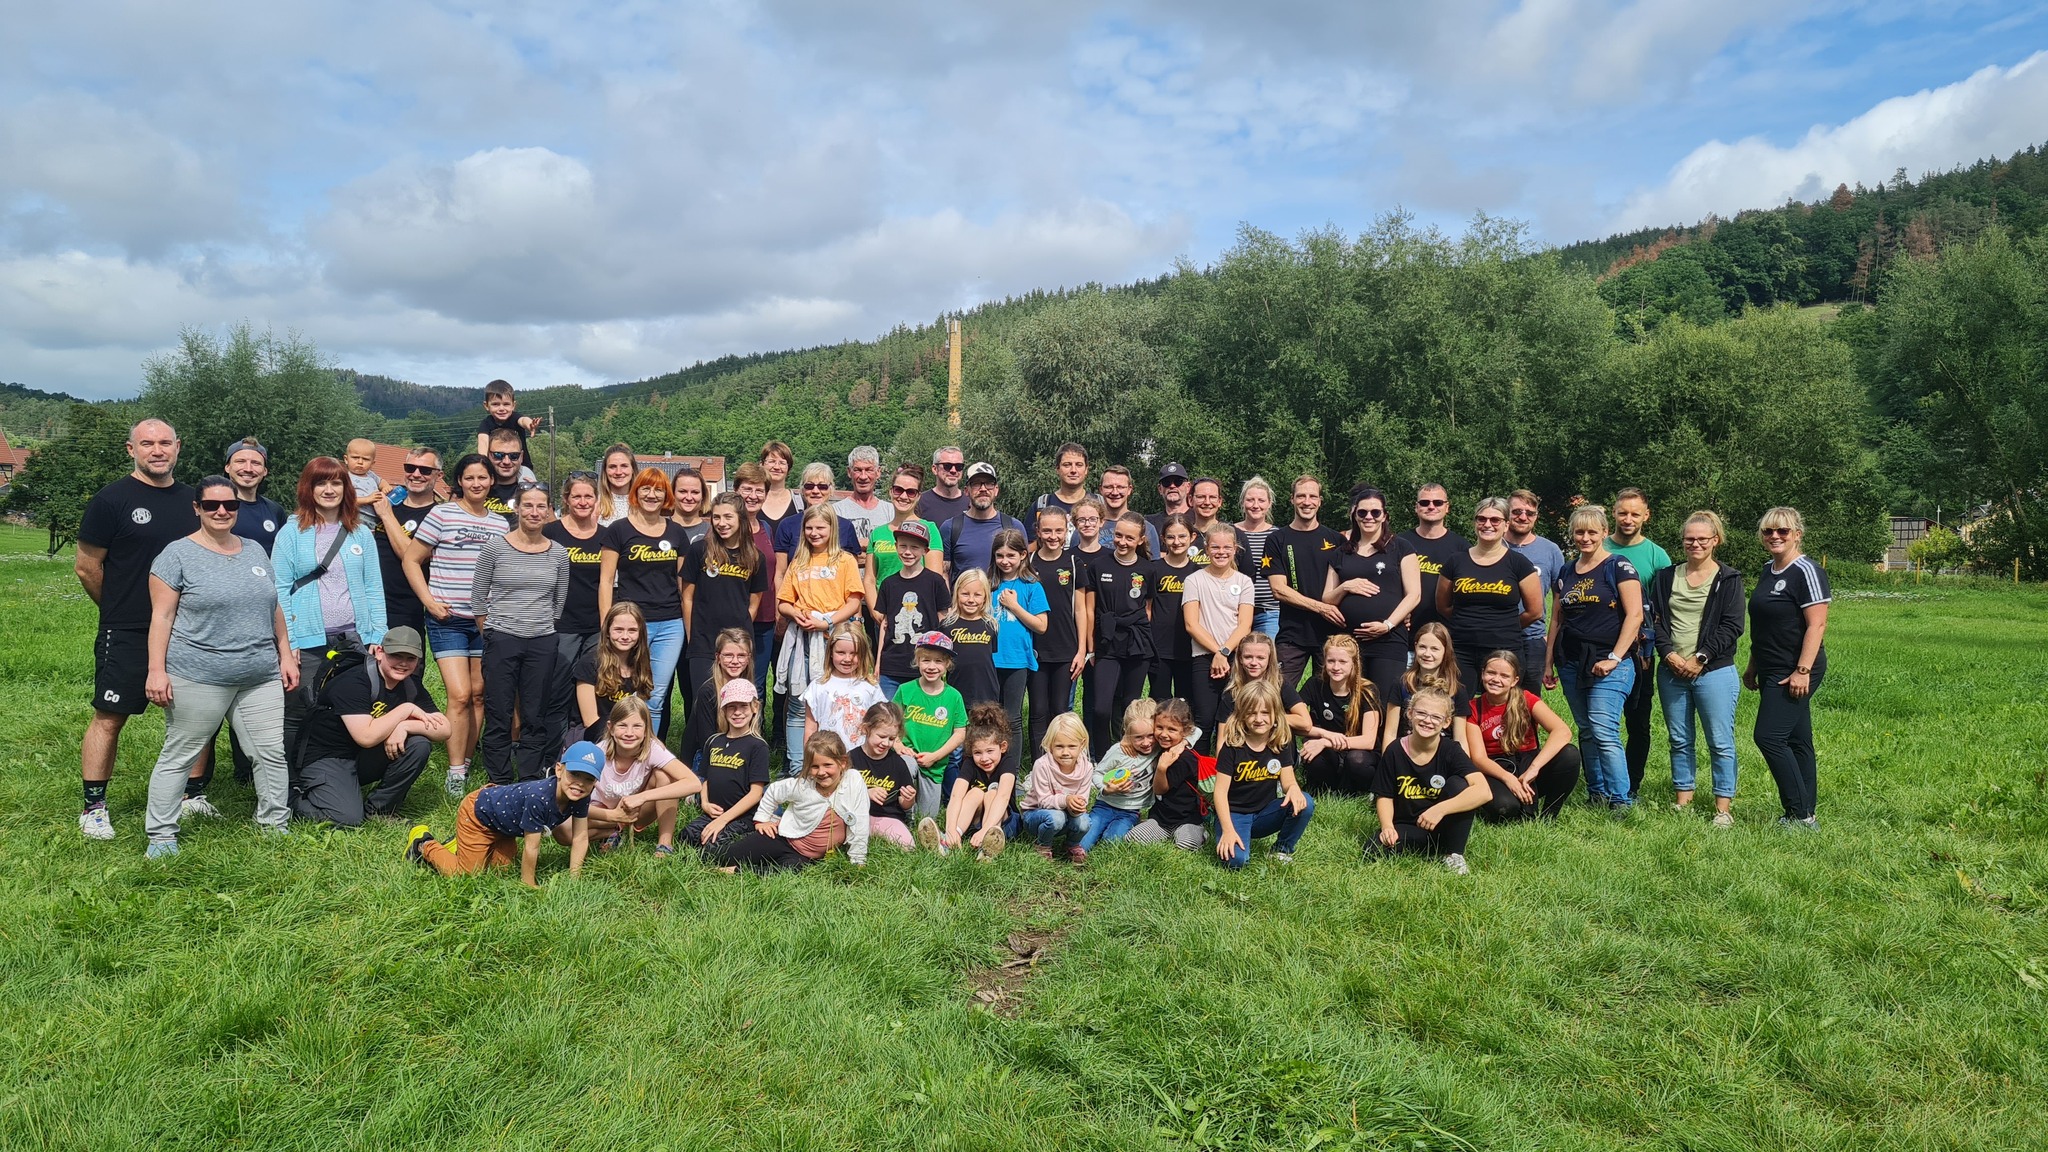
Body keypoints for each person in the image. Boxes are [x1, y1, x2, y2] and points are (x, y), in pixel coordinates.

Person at [138, 474, 296, 857]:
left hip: (259, 674)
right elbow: (162, 617)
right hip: (198, 674)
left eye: (230, 505)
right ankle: (161, 836)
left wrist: (286, 652)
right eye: (212, 505)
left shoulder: (254, 550)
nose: (222, 511)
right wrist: (156, 670)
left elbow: (273, 605)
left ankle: (275, 825)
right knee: (181, 753)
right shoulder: (177, 554)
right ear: (197, 508)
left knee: (270, 753)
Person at [75, 418, 199, 840]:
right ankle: (94, 806)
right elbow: (87, 567)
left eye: (165, 442)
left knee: (196, 715)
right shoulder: (110, 500)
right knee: (110, 716)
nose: (157, 450)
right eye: (147, 443)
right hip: (128, 630)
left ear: (178, 447)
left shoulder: (194, 501)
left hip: (188, 629)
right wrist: (118, 608)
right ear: (132, 450)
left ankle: (192, 795)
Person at [271, 455, 387, 771]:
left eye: (336, 482)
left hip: (354, 639)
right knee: (298, 710)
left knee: (352, 707)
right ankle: (291, 779)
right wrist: (289, 643)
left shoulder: (361, 533)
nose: (329, 490)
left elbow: (373, 588)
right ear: (308, 488)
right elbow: (279, 590)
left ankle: (339, 772)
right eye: (320, 483)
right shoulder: (291, 533)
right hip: (307, 642)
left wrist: (377, 635)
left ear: (346, 488)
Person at [404, 453, 509, 795]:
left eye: (482, 477)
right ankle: (454, 772)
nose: (476, 483)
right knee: (460, 694)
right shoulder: (442, 514)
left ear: (491, 481)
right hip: (447, 620)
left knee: (479, 695)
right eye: (469, 478)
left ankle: (466, 759)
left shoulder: (501, 525)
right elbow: (411, 560)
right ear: (459, 482)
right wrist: (429, 601)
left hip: (484, 621)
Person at [291, 626, 450, 826]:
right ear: (380, 652)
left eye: (410, 658)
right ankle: (292, 800)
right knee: (347, 819)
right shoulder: (354, 681)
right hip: (326, 756)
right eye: (396, 655)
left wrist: (405, 727)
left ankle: (379, 810)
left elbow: (445, 729)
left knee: (419, 744)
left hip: (361, 755)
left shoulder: (411, 685)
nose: (403, 663)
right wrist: (406, 710)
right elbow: (366, 737)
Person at [1544, 504, 1643, 813]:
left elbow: (1635, 615)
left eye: (1591, 532)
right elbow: (1556, 619)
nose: (1585, 538)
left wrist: (1614, 657)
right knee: (1586, 729)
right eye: (1579, 532)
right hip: (1572, 661)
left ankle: (1620, 800)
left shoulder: (1619, 566)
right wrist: (1548, 662)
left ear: (1604, 533)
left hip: (1610, 662)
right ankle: (1596, 792)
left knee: (1603, 728)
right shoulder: (1566, 571)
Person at [1648, 511, 1746, 825]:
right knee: (1679, 739)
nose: (1696, 544)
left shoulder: (1729, 579)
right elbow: (1654, 621)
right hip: (1672, 670)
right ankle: (1683, 800)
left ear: (1715, 540)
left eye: (1703, 539)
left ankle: (1723, 809)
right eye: (1690, 539)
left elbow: (1732, 626)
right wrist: (1668, 654)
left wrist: (1701, 657)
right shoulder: (1666, 577)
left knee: (1720, 741)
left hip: (1714, 671)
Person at [473, 484, 571, 785]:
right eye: (528, 505)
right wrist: (492, 633)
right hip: (502, 637)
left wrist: (539, 627)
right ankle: (500, 779)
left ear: (549, 511)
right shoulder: (495, 548)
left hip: (542, 640)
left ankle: (529, 778)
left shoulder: (559, 553)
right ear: (517, 508)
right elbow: (478, 598)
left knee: (534, 713)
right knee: (499, 712)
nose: (534, 512)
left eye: (541, 506)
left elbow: (559, 602)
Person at [406, 741, 597, 886]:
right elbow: (531, 847)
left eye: (588, 778)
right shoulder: (539, 798)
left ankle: (459, 847)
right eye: (574, 774)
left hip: (503, 825)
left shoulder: (580, 795)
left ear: (595, 782)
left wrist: (574, 879)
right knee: (466, 876)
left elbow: (580, 837)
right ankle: (423, 844)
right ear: (559, 770)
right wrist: (529, 885)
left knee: (501, 871)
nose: (580, 783)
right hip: (478, 815)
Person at [1744, 507, 1830, 830]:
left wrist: (1802, 671)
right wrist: (1753, 665)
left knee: (1768, 737)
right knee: (1797, 739)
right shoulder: (1768, 570)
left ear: (1797, 534)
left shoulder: (1807, 571)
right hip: (1769, 666)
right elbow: (1764, 625)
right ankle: (1806, 812)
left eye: (1783, 531)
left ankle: (1800, 814)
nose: (1775, 536)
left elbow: (1817, 625)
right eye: (1768, 531)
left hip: (1795, 669)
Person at [775, 504, 867, 764]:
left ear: (832, 528)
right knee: (798, 704)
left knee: (835, 702)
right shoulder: (798, 561)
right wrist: (796, 614)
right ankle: (797, 766)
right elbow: (784, 602)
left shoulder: (845, 560)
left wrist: (826, 621)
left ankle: (835, 762)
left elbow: (853, 601)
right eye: (809, 528)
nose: (814, 533)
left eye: (820, 528)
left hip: (835, 640)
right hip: (803, 641)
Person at [597, 466, 686, 734]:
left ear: (666, 496)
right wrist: (607, 625)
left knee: (654, 696)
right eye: (646, 488)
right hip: (631, 625)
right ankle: (622, 747)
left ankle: (647, 753)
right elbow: (605, 581)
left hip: (670, 624)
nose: (652, 495)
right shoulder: (618, 530)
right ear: (636, 492)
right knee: (625, 693)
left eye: (659, 490)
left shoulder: (676, 532)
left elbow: (683, 585)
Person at [1364, 687, 1487, 875]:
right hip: (1408, 825)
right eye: (1421, 713)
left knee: (1460, 785)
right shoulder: (1395, 750)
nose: (1427, 720)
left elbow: (1484, 791)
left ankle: (1453, 853)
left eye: (1436, 717)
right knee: (1372, 850)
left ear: (1446, 722)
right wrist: (1387, 826)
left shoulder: (1451, 750)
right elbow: (1385, 796)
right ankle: (1429, 850)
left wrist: (1440, 809)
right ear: (1410, 713)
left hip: (1442, 825)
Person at [709, 730, 870, 872]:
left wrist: (858, 859)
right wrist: (761, 820)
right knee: (724, 856)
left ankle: (734, 871)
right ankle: (704, 851)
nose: (821, 772)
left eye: (828, 765)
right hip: (783, 838)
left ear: (842, 763)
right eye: (814, 767)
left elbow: (860, 821)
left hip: (805, 856)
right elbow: (773, 790)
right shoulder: (803, 785)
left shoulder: (853, 781)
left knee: (787, 871)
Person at [1437, 497, 1542, 711]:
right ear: (1475, 522)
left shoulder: (1519, 564)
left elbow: (1534, 611)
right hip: (1462, 650)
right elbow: (1443, 606)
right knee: (1457, 708)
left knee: (1503, 709)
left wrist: (1503, 626)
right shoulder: (1456, 561)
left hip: (1504, 649)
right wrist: (1469, 624)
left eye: (1495, 520)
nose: (1487, 524)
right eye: (1481, 519)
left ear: (1506, 525)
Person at [1321, 487, 1421, 709]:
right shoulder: (1341, 552)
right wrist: (1346, 586)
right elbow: (1327, 599)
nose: (1369, 517)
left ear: (1384, 516)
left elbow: (1414, 594)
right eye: (1362, 512)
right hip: (1350, 642)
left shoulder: (1401, 547)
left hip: (1388, 640)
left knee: (1384, 701)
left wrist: (1387, 625)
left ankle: (1385, 735)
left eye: (1375, 512)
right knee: (1351, 703)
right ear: (1354, 515)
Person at [1606, 488, 1674, 803]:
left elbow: (1664, 608)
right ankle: (1601, 784)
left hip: (1640, 652)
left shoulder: (1657, 556)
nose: (1628, 519)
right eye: (1623, 512)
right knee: (1600, 721)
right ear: (1614, 513)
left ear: (1646, 516)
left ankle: (1631, 784)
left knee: (1638, 722)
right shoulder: (1599, 546)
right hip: (1600, 645)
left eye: (1635, 513)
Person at [1461, 651, 1581, 821]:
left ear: (1514, 680)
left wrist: (1534, 768)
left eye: (1504, 676)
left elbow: (1562, 731)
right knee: (1505, 808)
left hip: (1528, 761)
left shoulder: (1526, 699)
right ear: (1482, 674)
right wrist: (1508, 779)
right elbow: (1479, 758)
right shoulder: (1473, 708)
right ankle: (1510, 801)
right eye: (1491, 673)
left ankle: (1549, 815)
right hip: (1496, 767)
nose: (1496, 679)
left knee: (1570, 754)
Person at [1210, 680, 1314, 869]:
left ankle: (1281, 850)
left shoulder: (1279, 743)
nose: (1259, 719)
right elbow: (1220, 792)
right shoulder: (1231, 746)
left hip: (1265, 813)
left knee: (1305, 802)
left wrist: (1293, 789)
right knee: (1236, 862)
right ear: (1242, 715)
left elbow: (1288, 781)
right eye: (1252, 713)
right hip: (1235, 814)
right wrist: (1228, 830)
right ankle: (1216, 827)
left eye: (1265, 712)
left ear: (1276, 715)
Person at [579, 696, 699, 855]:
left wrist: (642, 797)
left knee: (664, 776)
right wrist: (612, 816)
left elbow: (694, 783)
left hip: (637, 811)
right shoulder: (598, 753)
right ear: (611, 728)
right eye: (622, 725)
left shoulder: (652, 748)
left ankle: (665, 843)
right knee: (567, 828)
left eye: (637, 726)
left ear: (646, 730)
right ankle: (612, 832)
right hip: (604, 814)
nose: (629, 733)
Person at [669, 679, 772, 856]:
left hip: (742, 817)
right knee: (686, 837)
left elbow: (756, 793)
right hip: (713, 813)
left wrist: (723, 820)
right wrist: (705, 803)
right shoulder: (714, 741)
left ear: (754, 707)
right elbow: (705, 779)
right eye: (731, 707)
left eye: (743, 706)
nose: (737, 712)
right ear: (723, 710)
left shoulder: (757, 746)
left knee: (714, 848)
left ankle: (744, 843)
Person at [682, 493, 767, 706]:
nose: (721, 523)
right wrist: (693, 637)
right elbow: (687, 598)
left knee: (736, 702)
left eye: (728, 517)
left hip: (738, 644)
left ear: (741, 518)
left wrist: (738, 633)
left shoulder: (756, 557)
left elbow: (754, 603)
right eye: (716, 517)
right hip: (703, 641)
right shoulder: (699, 550)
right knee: (703, 701)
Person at [542, 472, 604, 751]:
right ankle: (554, 752)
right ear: (566, 500)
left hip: (596, 625)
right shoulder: (551, 533)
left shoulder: (606, 536)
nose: (582, 501)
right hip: (561, 623)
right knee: (559, 688)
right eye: (576, 496)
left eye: (588, 496)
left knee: (591, 688)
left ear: (596, 499)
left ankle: (584, 748)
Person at [1181, 523, 1256, 750]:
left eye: (1226, 547)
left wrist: (1224, 652)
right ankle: (1201, 768)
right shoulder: (1194, 580)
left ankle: (1231, 765)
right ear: (1206, 549)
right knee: (1204, 719)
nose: (1221, 552)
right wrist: (1217, 652)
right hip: (1204, 658)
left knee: (1235, 717)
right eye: (1215, 547)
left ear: (1235, 549)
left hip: (1235, 658)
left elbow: (1245, 625)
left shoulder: (1244, 582)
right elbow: (1191, 624)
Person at [1086, 513, 1155, 756]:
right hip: (1107, 642)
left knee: (1130, 707)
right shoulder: (1098, 566)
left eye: (1129, 538)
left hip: (1137, 642)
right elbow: (1089, 609)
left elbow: (1148, 609)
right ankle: (1103, 757)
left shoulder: (1148, 569)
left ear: (1140, 540)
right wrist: (1091, 648)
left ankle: (1130, 756)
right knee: (1102, 708)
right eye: (1118, 535)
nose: (1122, 542)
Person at [1269, 475, 1346, 684]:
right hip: (1292, 635)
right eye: (1301, 496)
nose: (1307, 502)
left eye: (1313, 496)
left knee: (1331, 694)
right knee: (1280, 692)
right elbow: (1278, 589)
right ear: (1292, 499)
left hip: (1331, 635)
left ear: (1320, 501)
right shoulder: (1277, 539)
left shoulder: (1336, 540)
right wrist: (1321, 608)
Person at [988, 529, 1049, 777]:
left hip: (1017, 659)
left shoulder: (1031, 586)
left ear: (1023, 555)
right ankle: (988, 767)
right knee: (988, 716)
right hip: (988, 660)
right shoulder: (987, 584)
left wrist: (1014, 606)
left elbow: (1041, 626)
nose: (1005, 561)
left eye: (1011, 555)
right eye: (1000, 555)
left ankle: (1010, 772)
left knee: (1012, 718)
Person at [919, 702, 1013, 860]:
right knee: (975, 792)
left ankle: (988, 848)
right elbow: (956, 795)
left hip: (1002, 822)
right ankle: (949, 840)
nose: (984, 758)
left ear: (1002, 747)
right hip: (974, 822)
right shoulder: (970, 763)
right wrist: (951, 828)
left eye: (990, 751)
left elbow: (1003, 797)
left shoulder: (1007, 762)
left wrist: (986, 829)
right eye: (978, 753)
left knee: (992, 794)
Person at [1029, 507, 1089, 755]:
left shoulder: (1074, 563)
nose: (1053, 536)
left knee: (1060, 709)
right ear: (1038, 532)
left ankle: (1060, 760)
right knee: (1038, 710)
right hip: (1035, 649)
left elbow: (1081, 610)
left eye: (1058, 531)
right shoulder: (1028, 562)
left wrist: (1082, 650)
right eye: (1047, 531)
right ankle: (1038, 764)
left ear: (1066, 531)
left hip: (1066, 649)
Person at [893, 632, 967, 824]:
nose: (931, 666)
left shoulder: (954, 696)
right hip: (907, 756)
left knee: (927, 819)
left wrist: (936, 756)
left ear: (947, 664)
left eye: (938, 661)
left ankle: (916, 818)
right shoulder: (905, 690)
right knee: (906, 767)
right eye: (926, 660)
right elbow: (889, 723)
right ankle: (900, 815)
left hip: (935, 764)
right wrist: (898, 745)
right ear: (917, 661)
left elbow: (960, 734)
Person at [1298, 634, 1385, 795]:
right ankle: (1326, 789)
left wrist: (1326, 742)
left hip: (1359, 752)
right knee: (1313, 756)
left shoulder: (1367, 690)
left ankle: (1359, 792)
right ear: (1324, 661)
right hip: (1330, 754)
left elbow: (1368, 741)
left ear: (1354, 664)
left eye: (1343, 662)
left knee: (1356, 761)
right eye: (1331, 661)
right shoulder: (1314, 685)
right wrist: (1324, 735)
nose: (1336, 667)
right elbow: (1295, 723)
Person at [369, 446, 441, 634]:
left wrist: (386, 515)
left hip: (404, 610)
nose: (416, 474)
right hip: (368, 604)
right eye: (410, 468)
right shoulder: (388, 503)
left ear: (438, 475)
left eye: (425, 470)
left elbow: (410, 555)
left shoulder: (438, 516)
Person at [874, 520, 949, 698]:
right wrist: (878, 662)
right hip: (891, 667)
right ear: (896, 546)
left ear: (925, 551)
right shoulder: (888, 584)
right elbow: (885, 624)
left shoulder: (935, 581)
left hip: (924, 666)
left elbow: (944, 618)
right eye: (903, 546)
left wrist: (940, 659)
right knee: (890, 713)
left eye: (914, 547)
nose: (908, 552)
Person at [1078, 697, 1160, 852]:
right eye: (1138, 737)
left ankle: (1131, 825)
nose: (1146, 742)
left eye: (1151, 735)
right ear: (1127, 733)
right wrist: (1106, 789)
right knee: (1083, 843)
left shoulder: (1158, 749)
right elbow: (1097, 773)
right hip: (1104, 806)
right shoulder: (1119, 751)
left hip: (1130, 812)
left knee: (1111, 843)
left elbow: (1194, 732)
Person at [1127, 698, 1209, 850]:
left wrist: (1162, 768)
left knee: (1185, 845)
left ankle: (1200, 833)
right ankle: (1163, 832)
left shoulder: (1184, 758)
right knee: (1132, 838)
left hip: (1187, 819)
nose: (1164, 734)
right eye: (1159, 727)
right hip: (1160, 819)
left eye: (1172, 730)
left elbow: (1160, 790)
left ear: (1184, 731)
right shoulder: (1158, 747)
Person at [730, 461, 780, 702]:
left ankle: (755, 726)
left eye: (759, 490)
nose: (753, 496)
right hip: (735, 618)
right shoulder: (725, 528)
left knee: (756, 684)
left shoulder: (766, 529)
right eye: (747, 489)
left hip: (764, 619)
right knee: (732, 681)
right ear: (736, 490)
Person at [1506, 489, 1567, 681]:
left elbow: (1559, 600)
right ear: (1506, 513)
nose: (1523, 517)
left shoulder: (1550, 550)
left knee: (1529, 696)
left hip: (1533, 639)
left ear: (1536, 516)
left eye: (1530, 513)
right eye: (1517, 512)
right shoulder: (1493, 546)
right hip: (1496, 635)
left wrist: (1550, 641)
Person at [801, 620, 887, 757]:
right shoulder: (818, 686)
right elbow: (810, 729)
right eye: (841, 652)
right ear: (830, 652)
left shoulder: (870, 686)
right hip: (828, 757)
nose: (847, 659)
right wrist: (810, 759)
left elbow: (882, 723)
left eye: (854, 653)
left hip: (862, 758)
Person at [1017, 711, 1094, 862]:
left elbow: (1082, 800)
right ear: (1050, 745)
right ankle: (1043, 845)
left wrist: (1077, 806)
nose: (1065, 752)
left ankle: (1072, 845)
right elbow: (1044, 801)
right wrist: (1066, 800)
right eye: (1059, 746)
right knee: (1057, 818)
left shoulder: (1087, 768)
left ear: (1082, 744)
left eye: (1072, 746)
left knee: (1085, 822)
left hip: (1066, 814)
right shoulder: (1042, 765)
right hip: (1035, 814)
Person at [673, 627, 754, 770]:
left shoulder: (750, 689)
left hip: (738, 753)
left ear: (748, 658)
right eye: (728, 655)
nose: (735, 661)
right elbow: (707, 741)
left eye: (741, 656)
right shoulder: (708, 691)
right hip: (708, 756)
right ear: (718, 657)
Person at [574, 602, 652, 746]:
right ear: (608, 632)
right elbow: (589, 721)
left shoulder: (640, 664)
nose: (625, 636)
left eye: (632, 630)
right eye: (618, 630)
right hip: (592, 738)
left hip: (628, 736)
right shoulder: (589, 663)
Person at [1397, 483, 1468, 633]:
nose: (1431, 507)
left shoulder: (1462, 547)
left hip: (1447, 634)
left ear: (1447, 507)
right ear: (1416, 507)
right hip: (1404, 630)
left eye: (1437, 502)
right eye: (1424, 502)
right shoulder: (1399, 543)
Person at [848, 702, 920, 850]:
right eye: (881, 736)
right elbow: (840, 794)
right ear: (866, 729)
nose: (886, 743)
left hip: (887, 817)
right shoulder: (851, 758)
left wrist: (909, 799)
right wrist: (866, 793)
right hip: (856, 816)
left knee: (908, 846)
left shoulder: (898, 763)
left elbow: (904, 804)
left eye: (892, 739)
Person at [869, 464, 945, 595]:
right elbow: (870, 580)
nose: (904, 496)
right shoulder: (877, 533)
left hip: (916, 604)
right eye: (898, 490)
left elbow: (934, 579)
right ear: (891, 491)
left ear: (918, 496)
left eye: (911, 492)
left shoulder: (929, 529)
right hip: (884, 604)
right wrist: (877, 608)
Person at [1147, 514, 1199, 703]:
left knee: (1186, 701)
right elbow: (1147, 608)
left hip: (1189, 646)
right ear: (1163, 539)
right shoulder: (1153, 569)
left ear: (1192, 537)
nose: (1176, 542)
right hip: (1159, 646)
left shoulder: (1198, 572)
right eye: (1171, 537)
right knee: (1159, 700)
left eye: (1182, 536)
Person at [939, 462, 1024, 576]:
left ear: (996, 490)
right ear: (966, 490)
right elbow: (944, 573)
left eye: (989, 483)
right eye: (976, 484)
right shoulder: (950, 528)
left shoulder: (1013, 526)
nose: (983, 489)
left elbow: (1024, 570)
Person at [774, 462, 867, 560]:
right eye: (809, 486)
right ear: (802, 490)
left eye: (822, 486)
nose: (815, 491)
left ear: (831, 490)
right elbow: (781, 568)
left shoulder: (846, 527)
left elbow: (852, 566)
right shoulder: (787, 525)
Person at [942, 570, 1000, 713]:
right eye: (965, 594)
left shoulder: (991, 625)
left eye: (977, 595)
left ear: (985, 597)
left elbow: (988, 657)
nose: (971, 600)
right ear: (956, 594)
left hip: (986, 692)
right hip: (956, 690)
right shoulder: (947, 626)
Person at [1392, 622, 1460, 741]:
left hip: (1442, 750)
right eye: (1422, 647)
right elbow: (1390, 734)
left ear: (1446, 651)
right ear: (1415, 647)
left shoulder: (1456, 690)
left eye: (1434, 649)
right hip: (1406, 748)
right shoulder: (1402, 684)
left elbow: (1460, 738)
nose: (1427, 654)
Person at [1235, 477, 1284, 640]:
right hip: (1234, 611)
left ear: (1269, 504)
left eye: (1261, 500)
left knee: (1266, 654)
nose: (1255, 505)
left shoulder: (1279, 536)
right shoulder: (1230, 533)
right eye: (1250, 500)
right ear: (1243, 502)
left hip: (1269, 612)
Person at [224, 437, 286, 552]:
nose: (248, 469)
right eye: (241, 461)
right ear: (227, 467)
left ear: (265, 471)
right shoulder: (213, 507)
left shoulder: (275, 511)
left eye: (255, 463)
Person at [1027, 442, 1092, 534]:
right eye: (1067, 465)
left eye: (1079, 465)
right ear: (1057, 469)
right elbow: (1030, 541)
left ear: (1086, 469)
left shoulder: (1100, 504)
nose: (1073, 470)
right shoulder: (1041, 505)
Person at [834, 445, 892, 545]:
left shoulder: (890, 511)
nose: (863, 477)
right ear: (849, 472)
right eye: (858, 470)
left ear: (878, 472)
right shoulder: (837, 511)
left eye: (869, 470)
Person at [1094, 466, 1158, 555]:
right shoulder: (1087, 525)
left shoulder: (1146, 528)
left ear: (1129, 489)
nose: (1115, 492)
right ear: (1101, 489)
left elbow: (1153, 563)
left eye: (1120, 487)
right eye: (1109, 487)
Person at [474, 378, 541, 461]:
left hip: (521, 465)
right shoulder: (486, 423)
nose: (501, 408)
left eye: (506, 404)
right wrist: (483, 461)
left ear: (513, 405)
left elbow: (523, 420)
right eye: (495, 404)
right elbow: (483, 441)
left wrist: (530, 425)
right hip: (496, 466)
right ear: (486, 405)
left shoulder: (515, 418)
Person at [1144, 462, 1193, 555]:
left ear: (1188, 487)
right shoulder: (1149, 523)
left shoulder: (1200, 520)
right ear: (1160, 489)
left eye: (1178, 482)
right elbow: (1145, 555)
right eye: (1166, 483)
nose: (1172, 486)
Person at [915, 445, 971, 524]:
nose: (953, 470)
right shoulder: (919, 502)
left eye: (959, 466)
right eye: (947, 466)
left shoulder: (971, 503)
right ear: (935, 469)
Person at [482, 427, 527, 523]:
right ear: (487, 455)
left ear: (521, 457)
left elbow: (550, 526)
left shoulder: (530, 491)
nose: (506, 461)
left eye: (514, 456)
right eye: (498, 455)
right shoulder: (475, 489)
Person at [757, 441, 798, 536]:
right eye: (772, 461)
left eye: (782, 463)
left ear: (789, 468)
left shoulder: (800, 504)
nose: (776, 467)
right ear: (761, 464)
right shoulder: (752, 500)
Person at [668, 466, 710, 553]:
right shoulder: (659, 527)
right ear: (672, 493)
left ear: (703, 495)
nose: (689, 498)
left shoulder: (712, 531)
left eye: (695, 492)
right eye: (682, 491)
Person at [594, 443, 637, 525]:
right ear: (605, 471)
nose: (618, 472)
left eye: (624, 466)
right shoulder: (595, 504)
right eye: (612, 467)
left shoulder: (643, 505)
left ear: (633, 469)